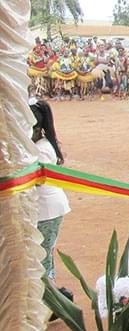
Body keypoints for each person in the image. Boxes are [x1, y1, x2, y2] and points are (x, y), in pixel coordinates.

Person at [30, 100, 70, 289]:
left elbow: (34, 181)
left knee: (42, 259)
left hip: (46, 210)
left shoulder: (41, 150)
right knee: (44, 256)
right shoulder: (41, 144)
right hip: (45, 208)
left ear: (37, 129)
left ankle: (57, 303)